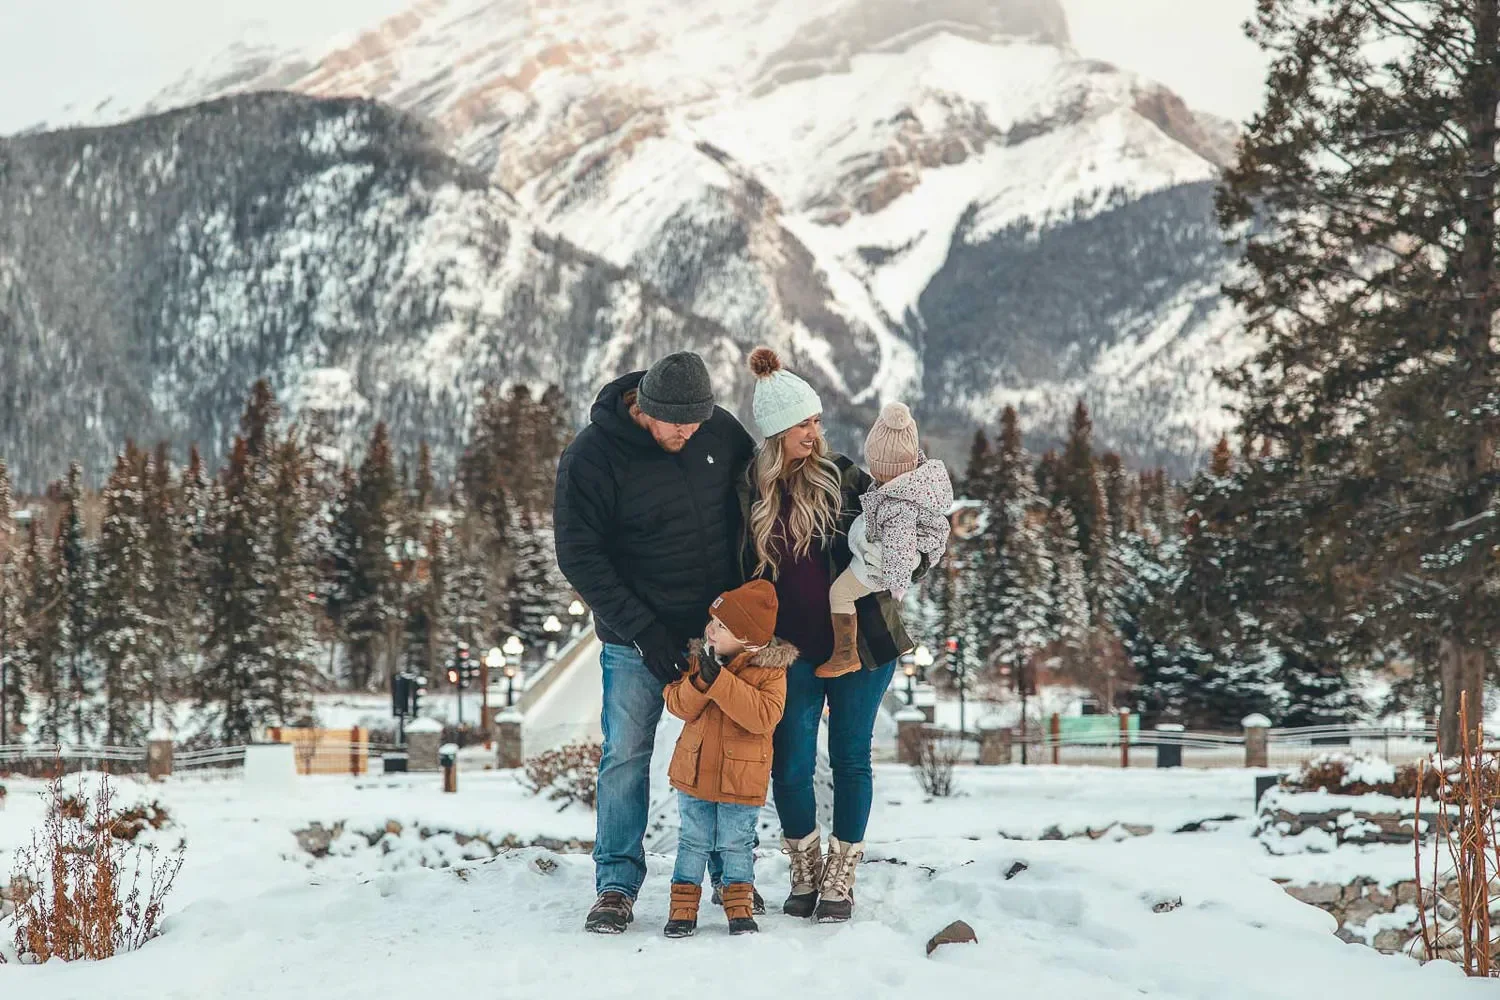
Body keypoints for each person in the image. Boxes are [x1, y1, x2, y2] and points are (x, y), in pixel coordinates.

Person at [554, 351, 755, 934]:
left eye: (697, 423)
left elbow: (761, 494)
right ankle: (615, 884)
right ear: (643, 406)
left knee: (726, 752)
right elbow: (580, 557)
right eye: (677, 425)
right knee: (626, 756)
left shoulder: (716, 430)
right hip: (634, 638)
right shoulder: (591, 457)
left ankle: (730, 877)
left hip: (719, 634)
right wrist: (644, 632)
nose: (688, 433)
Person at [737, 347, 925, 924]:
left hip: (864, 644)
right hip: (787, 651)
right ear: (775, 433)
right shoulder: (749, 492)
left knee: (850, 758)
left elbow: (901, 533)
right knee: (789, 764)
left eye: (817, 421)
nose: (815, 433)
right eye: (803, 424)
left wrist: (904, 567)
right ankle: (804, 867)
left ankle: (841, 877)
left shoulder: (846, 476)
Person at [661, 579, 793, 938]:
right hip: (695, 773)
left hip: (741, 780)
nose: (710, 630)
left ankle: (739, 910)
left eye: (721, 626)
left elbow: (763, 717)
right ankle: (682, 910)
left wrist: (719, 681)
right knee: (692, 841)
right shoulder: (700, 659)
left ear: (748, 638)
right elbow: (677, 705)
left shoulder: (771, 671)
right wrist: (701, 681)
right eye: (712, 622)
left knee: (737, 844)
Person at [816, 401, 952, 678]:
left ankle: (845, 653)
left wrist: (897, 585)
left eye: (877, 469)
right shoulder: (917, 483)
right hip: (891, 556)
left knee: (840, 593)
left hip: (881, 566)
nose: (872, 476)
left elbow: (900, 549)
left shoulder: (897, 505)